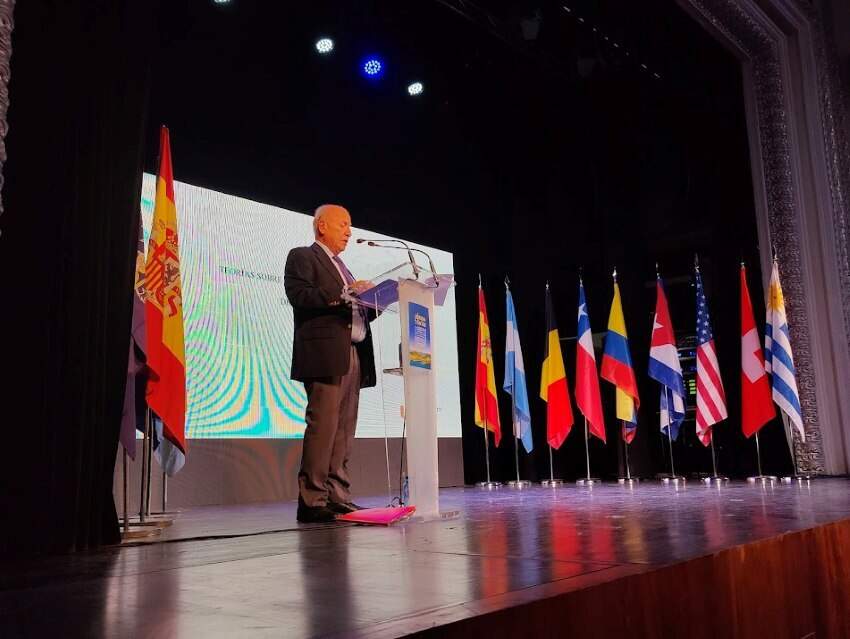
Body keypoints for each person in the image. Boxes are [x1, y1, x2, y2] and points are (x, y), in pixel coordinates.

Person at [284, 204, 377, 523]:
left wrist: (373, 299)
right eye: (344, 225)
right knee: (323, 426)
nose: (349, 231)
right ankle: (311, 499)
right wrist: (344, 293)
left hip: (353, 352)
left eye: (350, 226)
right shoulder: (303, 256)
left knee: (344, 430)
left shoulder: (344, 267)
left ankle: (338, 495)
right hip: (325, 352)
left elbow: (353, 307)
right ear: (322, 226)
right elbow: (300, 295)